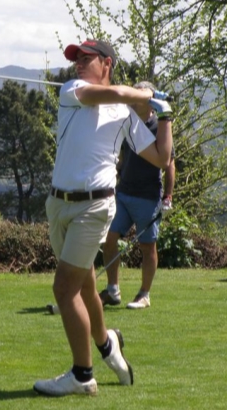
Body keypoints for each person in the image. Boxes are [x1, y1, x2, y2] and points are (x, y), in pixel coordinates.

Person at [33, 39, 173, 397]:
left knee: (63, 289)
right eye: (75, 59)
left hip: (95, 206)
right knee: (84, 287)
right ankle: (109, 345)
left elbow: (161, 157)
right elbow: (109, 95)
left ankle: (82, 376)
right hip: (58, 203)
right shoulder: (73, 90)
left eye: (86, 58)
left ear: (106, 63)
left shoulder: (124, 112)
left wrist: (165, 116)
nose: (77, 64)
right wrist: (141, 97)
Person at [98, 100, 176, 309]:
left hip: (148, 197)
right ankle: (113, 290)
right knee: (109, 238)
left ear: (150, 105)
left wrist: (168, 195)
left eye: (137, 100)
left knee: (147, 246)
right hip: (123, 193)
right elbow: (123, 156)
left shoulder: (158, 126)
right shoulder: (127, 122)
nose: (132, 102)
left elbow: (169, 163)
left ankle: (144, 294)